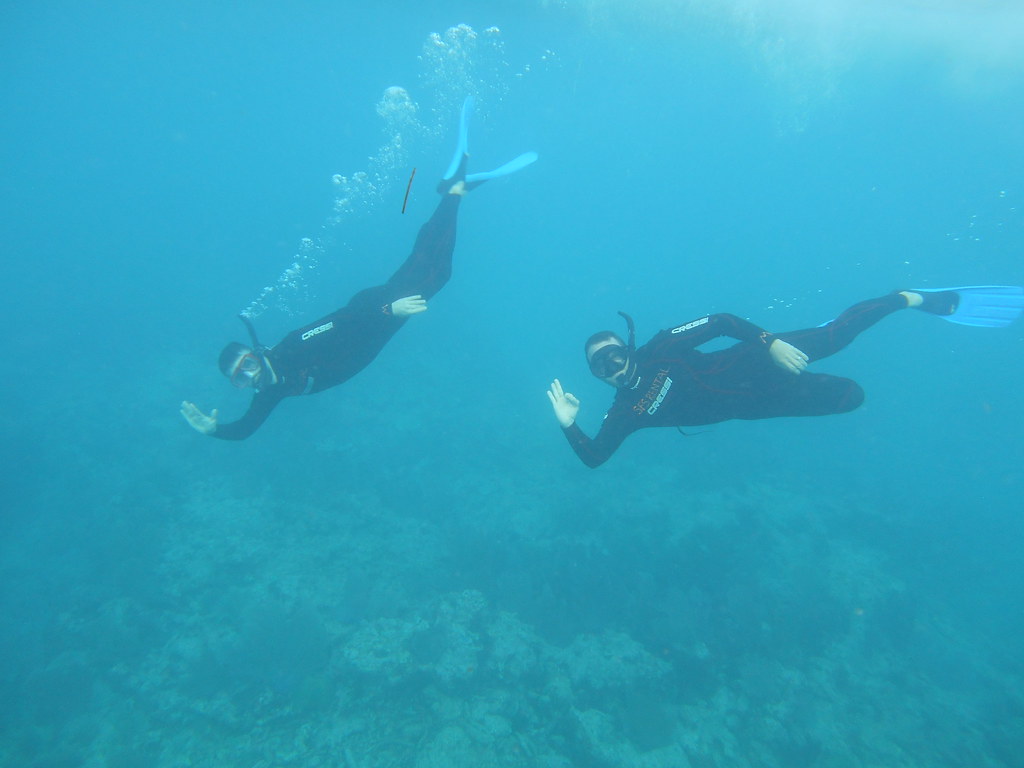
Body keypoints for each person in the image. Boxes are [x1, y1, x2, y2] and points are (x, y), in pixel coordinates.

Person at [182, 97, 536, 440]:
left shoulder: (290, 348)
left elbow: (342, 320)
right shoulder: (271, 392)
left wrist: (388, 309)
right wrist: (214, 429)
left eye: (247, 364)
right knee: (430, 266)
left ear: (255, 354)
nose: (251, 376)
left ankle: (454, 191)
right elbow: (245, 429)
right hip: (382, 323)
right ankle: (453, 191)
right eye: (241, 379)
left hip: (375, 310)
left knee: (433, 272)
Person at [546, 286, 1024, 467]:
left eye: (613, 354)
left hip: (758, 359)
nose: (612, 367)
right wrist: (569, 424)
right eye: (599, 366)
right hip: (759, 405)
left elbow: (722, 320)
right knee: (852, 396)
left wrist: (768, 341)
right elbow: (595, 457)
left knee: (838, 336)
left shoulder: (662, 348)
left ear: (627, 348)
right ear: (596, 376)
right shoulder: (624, 413)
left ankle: (910, 298)